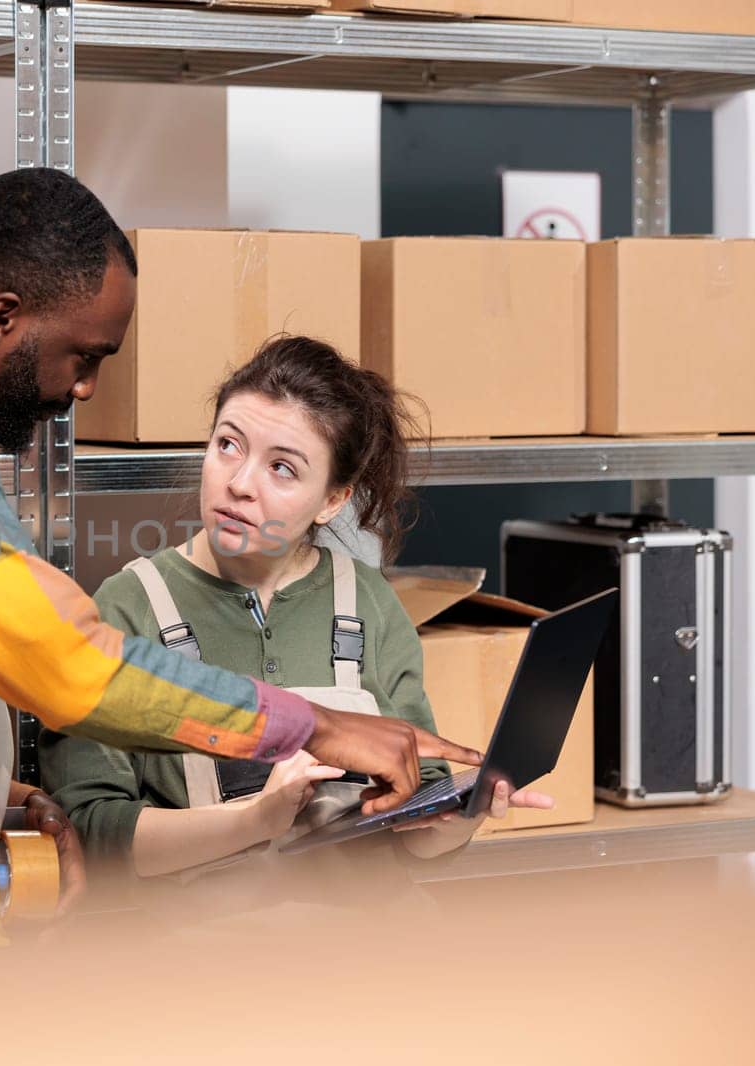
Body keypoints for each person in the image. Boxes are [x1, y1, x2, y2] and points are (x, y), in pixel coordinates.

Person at [0, 170, 481, 960]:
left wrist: (7, 800)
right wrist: (317, 726)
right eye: (83, 355)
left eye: (287, 468)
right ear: (2, 319)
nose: (83, 387)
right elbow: (66, 665)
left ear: (334, 497)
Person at [40, 335, 553, 879]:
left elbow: (416, 826)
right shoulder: (128, 607)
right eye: (228, 445)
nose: (238, 484)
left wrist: (461, 815)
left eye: (281, 468)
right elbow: (92, 835)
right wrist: (255, 820)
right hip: (208, 951)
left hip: (371, 942)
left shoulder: (368, 601)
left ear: (332, 500)